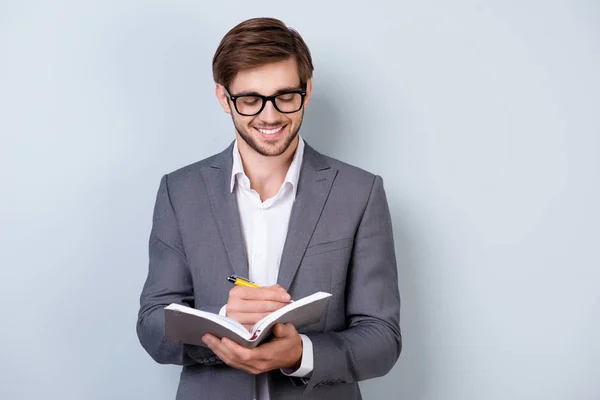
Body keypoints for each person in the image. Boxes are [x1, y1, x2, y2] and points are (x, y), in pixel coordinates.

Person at [136, 17, 401, 400]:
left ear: (306, 91)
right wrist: (222, 324)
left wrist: (302, 354)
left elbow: (383, 338)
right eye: (250, 100)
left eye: (285, 96)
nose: (271, 115)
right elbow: (151, 327)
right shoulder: (180, 191)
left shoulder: (360, 192)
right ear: (223, 98)